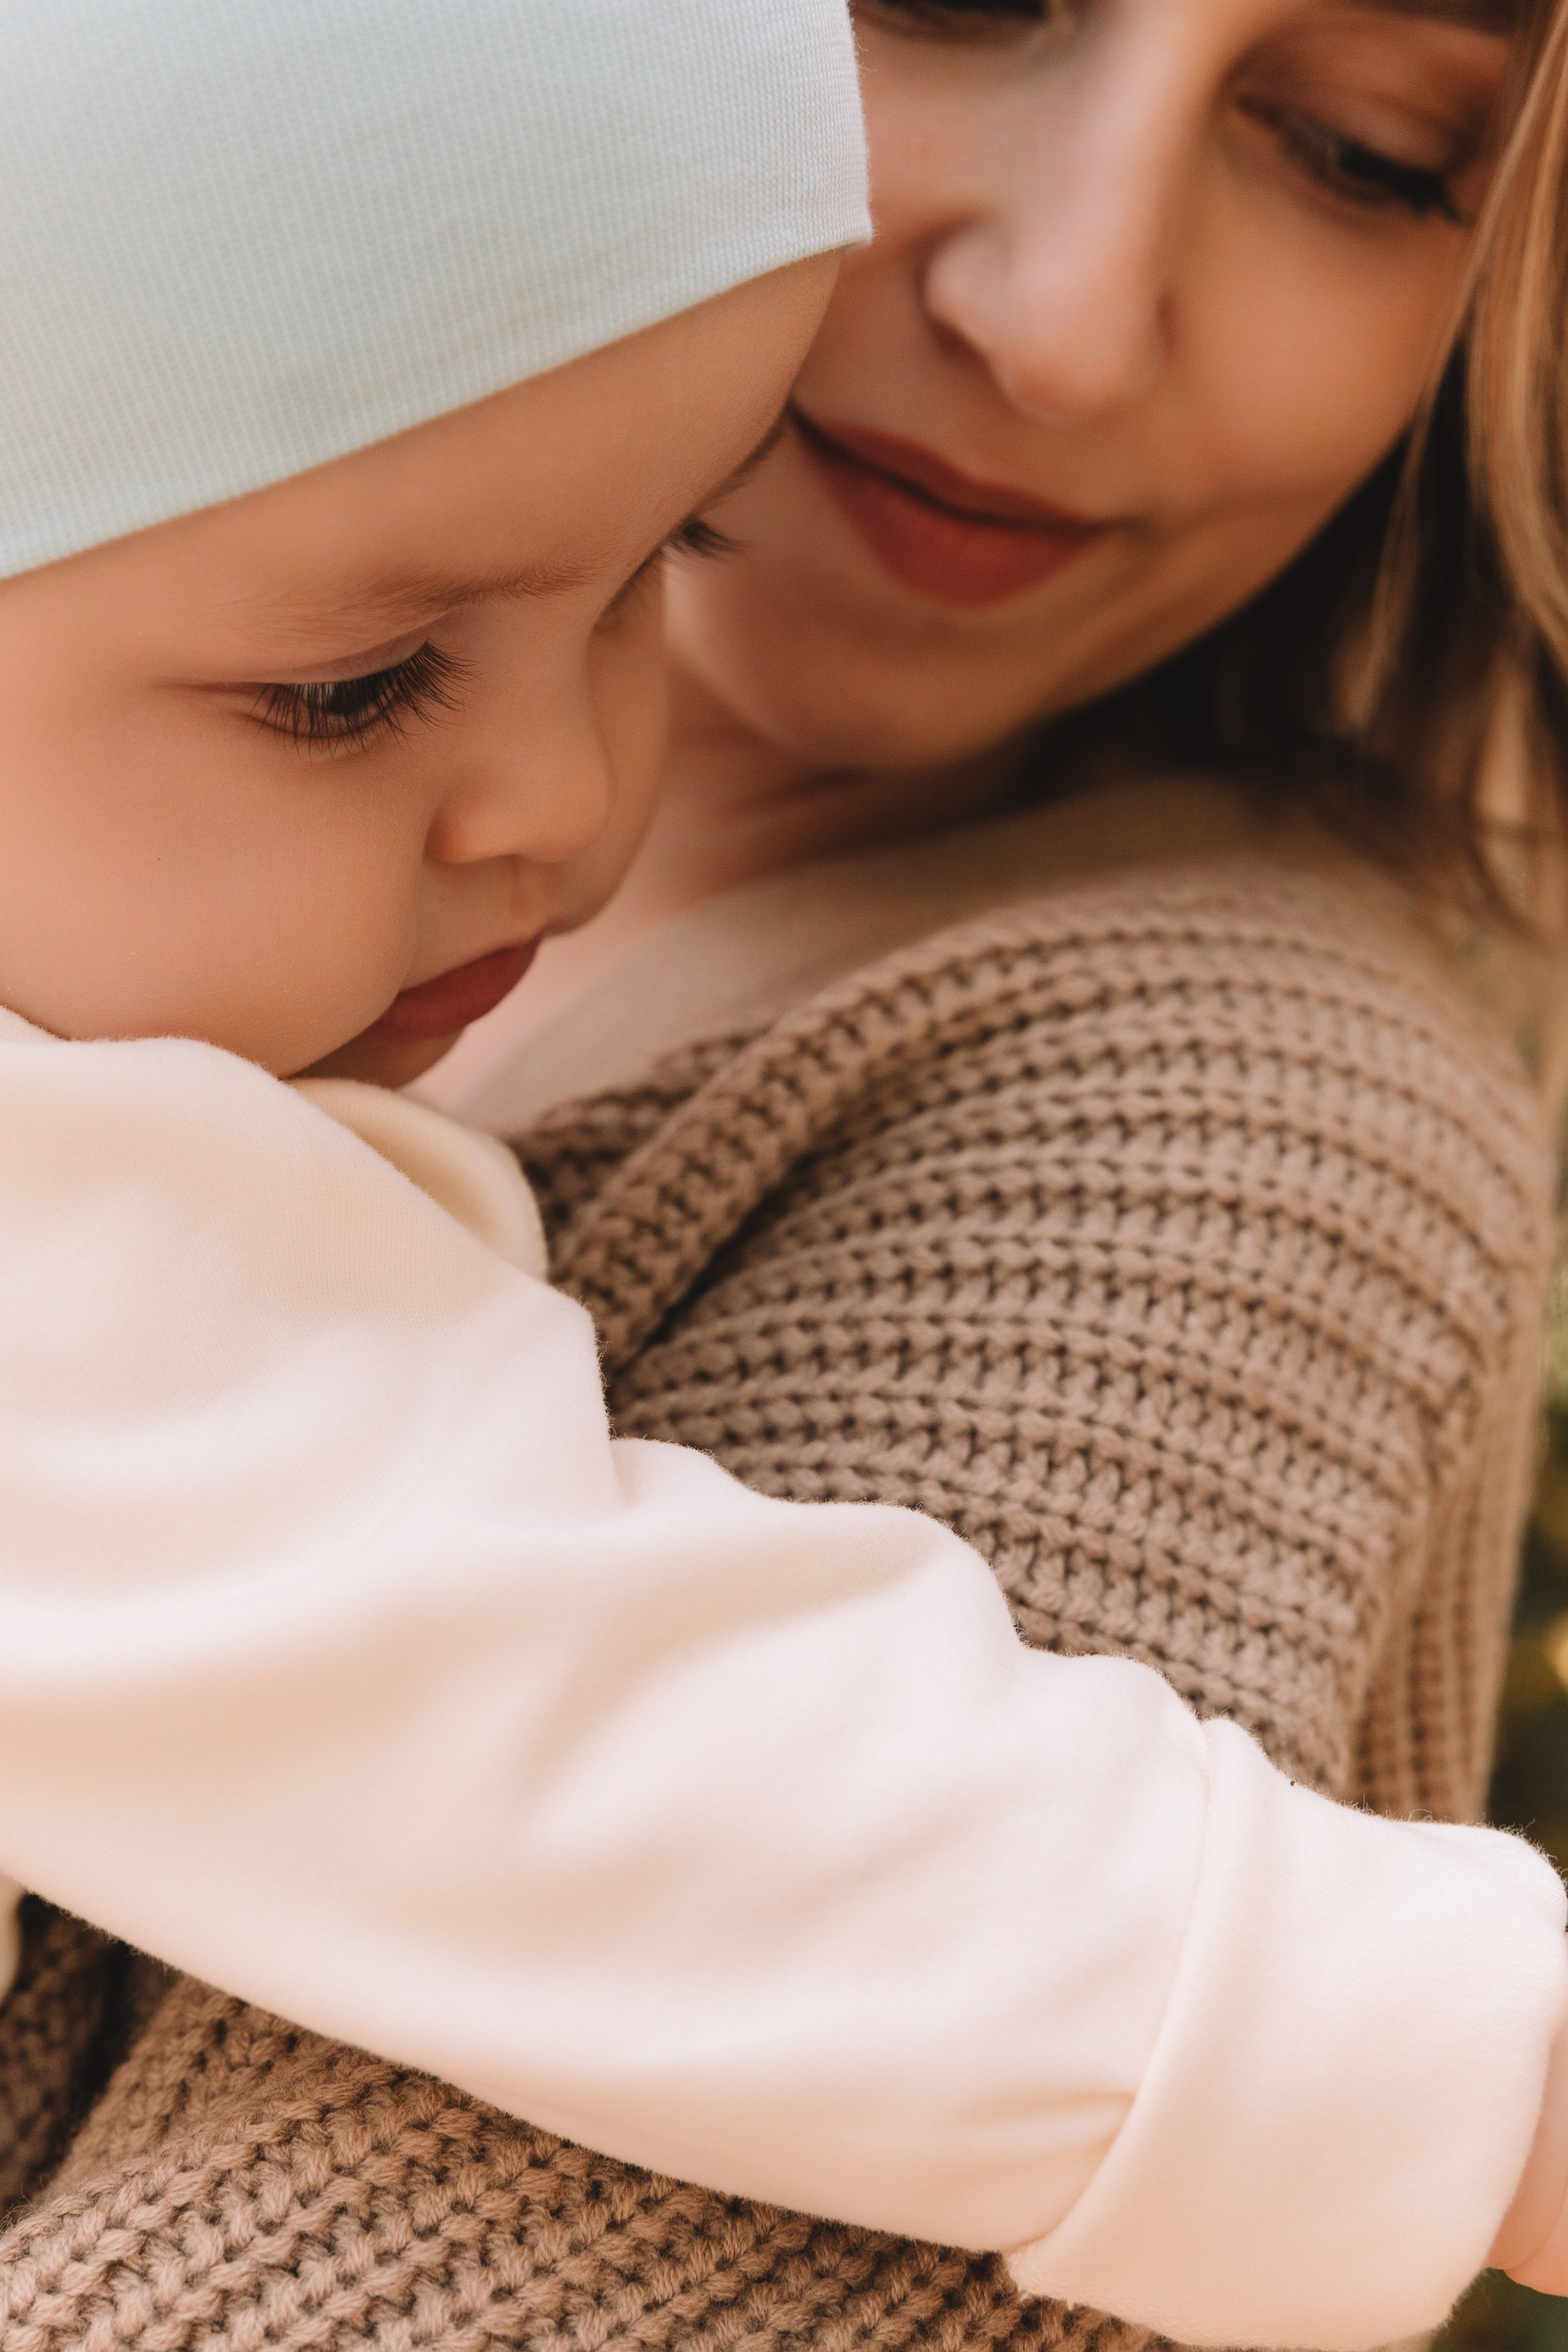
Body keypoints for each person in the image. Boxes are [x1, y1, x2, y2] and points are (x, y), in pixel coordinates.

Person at [1, 6, 1567, 2352]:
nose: (563, 803)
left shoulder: (1204, 1108)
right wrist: (1479, 2075)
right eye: (352, 688)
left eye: (1367, 146)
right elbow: (529, 1719)